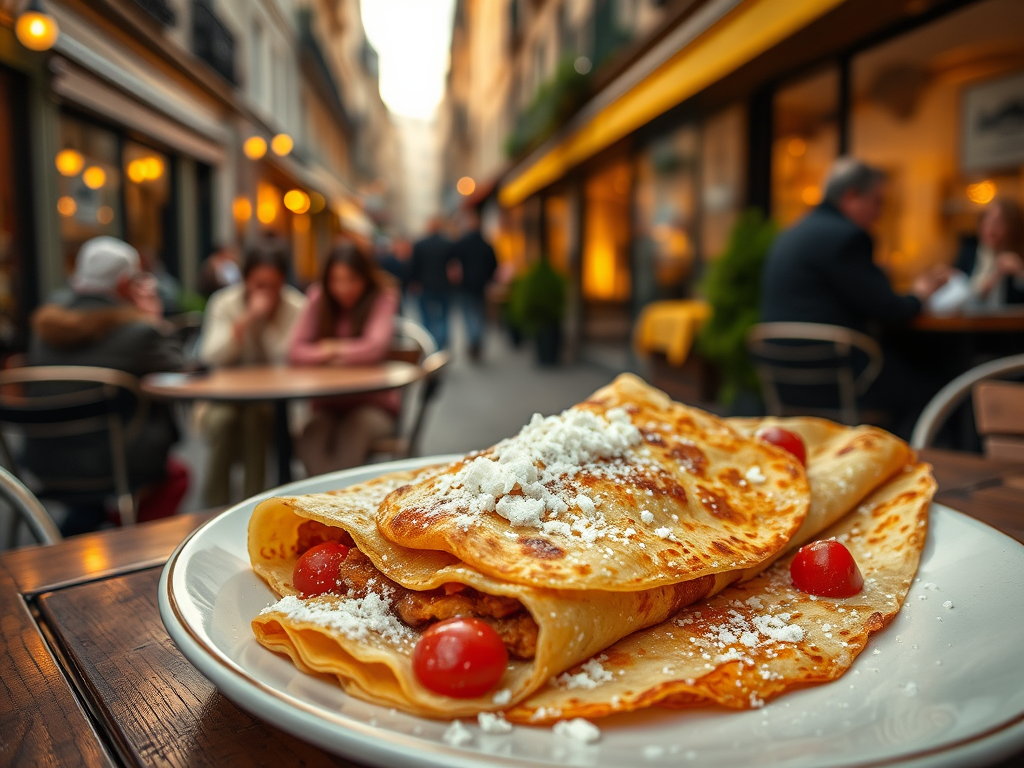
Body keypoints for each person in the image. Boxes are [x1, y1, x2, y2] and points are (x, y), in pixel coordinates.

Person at [760, 157, 951, 438]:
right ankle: (908, 465)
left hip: (789, 380)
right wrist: (919, 293)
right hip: (841, 382)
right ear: (850, 196)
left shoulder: (791, 233)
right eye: (876, 201)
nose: (879, 213)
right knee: (937, 382)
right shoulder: (847, 237)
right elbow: (890, 310)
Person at [26, 236, 188, 535]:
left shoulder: (42, 329)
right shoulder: (137, 331)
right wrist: (154, 319)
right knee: (177, 475)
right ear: (126, 283)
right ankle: (127, 542)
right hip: (114, 462)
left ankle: (79, 533)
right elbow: (180, 370)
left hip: (42, 459)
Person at [197, 241, 306, 505]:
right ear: (245, 279)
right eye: (259, 284)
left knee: (257, 416)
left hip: (274, 401)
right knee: (223, 421)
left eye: (274, 285)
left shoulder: (295, 306)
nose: (267, 292)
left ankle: (251, 502)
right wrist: (246, 320)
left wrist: (266, 322)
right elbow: (210, 355)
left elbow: (287, 359)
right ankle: (213, 505)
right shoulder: (224, 302)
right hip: (224, 398)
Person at [289, 241, 400, 476]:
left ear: (365, 277)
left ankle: (331, 504)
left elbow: (374, 347)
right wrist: (335, 352)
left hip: (373, 404)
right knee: (311, 435)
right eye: (336, 280)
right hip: (327, 403)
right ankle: (323, 503)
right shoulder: (318, 298)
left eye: (351, 279)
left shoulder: (382, 297)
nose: (343, 288)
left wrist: (330, 348)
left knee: (354, 430)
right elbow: (295, 350)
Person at [953, 198, 1024, 308]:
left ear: (1013, 227)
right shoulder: (969, 253)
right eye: (987, 221)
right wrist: (995, 276)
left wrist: (1020, 272)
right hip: (972, 322)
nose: (991, 228)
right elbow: (957, 297)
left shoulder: (1018, 256)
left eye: (999, 222)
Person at [452, 210, 498, 361]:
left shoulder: (461, 243)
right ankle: (477, 338)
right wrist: (489, 279)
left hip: (465, 285)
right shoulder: (486, 244)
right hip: (481, 285)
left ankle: (473, 339)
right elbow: (494, 264)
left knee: (468, 314)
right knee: (479, 314)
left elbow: (453, 263)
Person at [409, 217, 453, 348]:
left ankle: (429, 344)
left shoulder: (420, 245)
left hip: (425, 286)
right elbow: (453, 266)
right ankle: (442, 343)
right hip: (444, 286)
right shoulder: (448, 244)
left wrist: (413, 282)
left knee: (426, 318)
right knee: (443, 317)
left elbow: (413, 266)